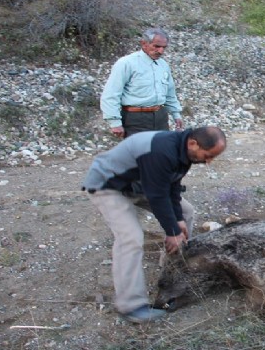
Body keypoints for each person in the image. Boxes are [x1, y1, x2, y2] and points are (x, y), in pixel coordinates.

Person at [82, 126, 227, 323]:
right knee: (131, 238)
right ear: (193, 143)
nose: (209, 162)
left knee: (186, 212)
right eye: (208, 155)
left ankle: (172, 265)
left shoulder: (184, 151)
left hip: (139, 184)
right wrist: (172, 231)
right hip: (108, 186)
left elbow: (172, 186)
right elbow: (158, 195)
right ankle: (131, 306)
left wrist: (178, 221)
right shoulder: (160, 151)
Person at [100, 27, 184, 138]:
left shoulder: (163, 65)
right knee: (138, 154)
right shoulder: (126, 63)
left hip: (160, 117)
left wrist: (176, 114)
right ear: (144, 43)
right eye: (156, 46)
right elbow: (111, 94)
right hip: (135, 119)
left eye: (164, 47)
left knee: (161, 153)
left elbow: (170, 93)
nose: (161, 51)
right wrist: (114, 122)